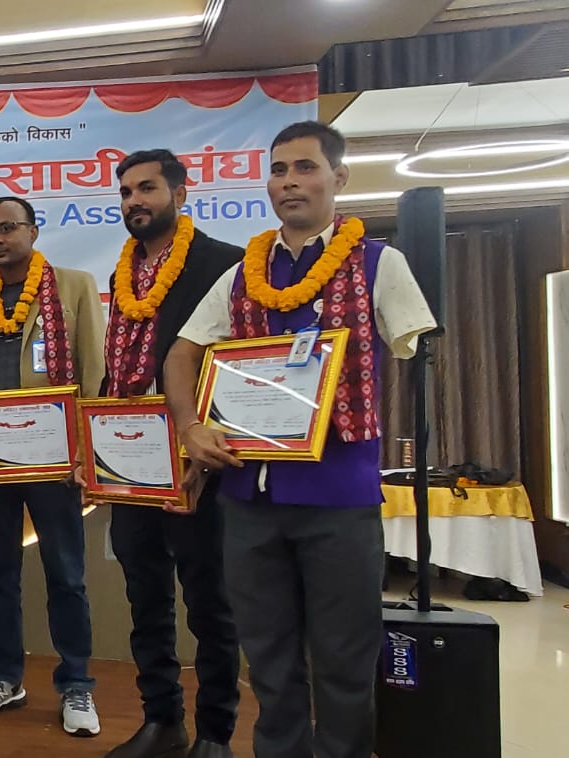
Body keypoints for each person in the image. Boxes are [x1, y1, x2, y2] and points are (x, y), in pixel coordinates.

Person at [165, 121, 436, 758]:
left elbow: (418, 352)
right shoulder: (241, 274)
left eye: (305, 168)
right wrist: (190, 426)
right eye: (279, 169)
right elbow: (182, 353)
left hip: (338, 498)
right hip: (249, 500)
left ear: (338, 178)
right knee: (269, 660)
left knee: (344, 660)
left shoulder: (379, 262)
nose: (289, 182)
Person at [0, 196, 106, 737]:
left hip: (55, 460)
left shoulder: (75, 287)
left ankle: (76, 684)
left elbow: (93, 370)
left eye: (8, 228)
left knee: (67, 576)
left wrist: (85, 450)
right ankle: (3, 677)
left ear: (33, 232)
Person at [102, 150, 243, 758]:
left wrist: (207, 442)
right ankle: (161, 721)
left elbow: (235, 366)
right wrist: (93, 447)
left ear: (180, 194)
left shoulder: (224, 262)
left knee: (209, 601)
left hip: (196, 460)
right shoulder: (123, 272)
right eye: (126, 192)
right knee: (145, 596)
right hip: (130, 459)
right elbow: (118, 368)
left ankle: (215, 732)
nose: (135, 201)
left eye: (147, 188)